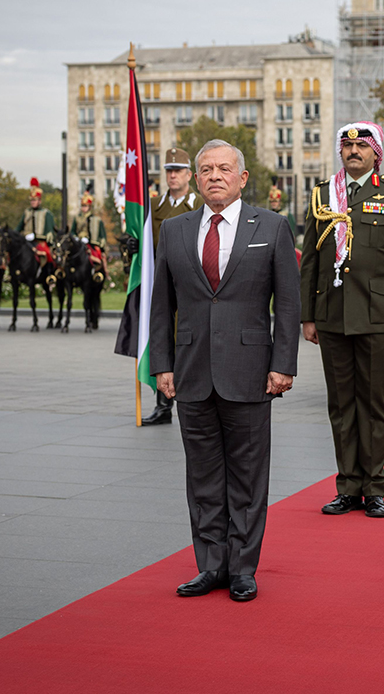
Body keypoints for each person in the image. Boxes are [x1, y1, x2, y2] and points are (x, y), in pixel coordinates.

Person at [148, 139, 300, 603]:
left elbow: (289, 304)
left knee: (249, 477)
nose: (215, 176)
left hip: (252, 372)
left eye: (224, 169)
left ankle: (242, 568)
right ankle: (210, 565)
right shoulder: (174, 232)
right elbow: (161, 306)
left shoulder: (272, 227)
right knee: (203, 477)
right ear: (196, 179)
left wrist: (283, 364)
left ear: (242, 177)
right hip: (191, 372)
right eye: (206, 169)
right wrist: (161, 366)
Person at [300, 122, 384, 518]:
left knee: (374, 404)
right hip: (332, 313)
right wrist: (307, 315)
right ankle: (348, 486)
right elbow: (310, 258)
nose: (353, 152)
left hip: (378, 315)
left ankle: (374, 486)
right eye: (347, 146)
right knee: (341, 404)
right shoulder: (323, 194)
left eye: (361, 146)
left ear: (376, 152)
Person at [139, 148, 202, 425]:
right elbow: (147, 244)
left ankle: (195, 399)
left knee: (191, 342)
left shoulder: (201, 203)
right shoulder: (153, 206)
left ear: (190, 175)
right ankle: (163, 405)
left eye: (178, 170)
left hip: (193, 285)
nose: (172, 175)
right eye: (168, 170)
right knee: (163, 339)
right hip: (163, 285)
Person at [70, 187, 107, 282]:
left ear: (90, 207)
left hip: (92, 244)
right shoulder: (77, 218)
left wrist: (99, 244)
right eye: (82, 206)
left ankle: (97, 272)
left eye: (85, 206)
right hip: (79, 242)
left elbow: (102, 236)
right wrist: (76, 238)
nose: (84, 208)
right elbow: (72, 231)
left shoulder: (97, 219)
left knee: (97, 256)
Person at [21, 178, 56, 273]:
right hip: (27, 241)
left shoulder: (46, 213)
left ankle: (49, 275)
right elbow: (19, 227)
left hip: (40, 241)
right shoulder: (26, 212)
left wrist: (48, 235)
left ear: (39, 201)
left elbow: (50, 229)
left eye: (35, 200)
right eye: (31, 200)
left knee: (47, 253)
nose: (33, 202)